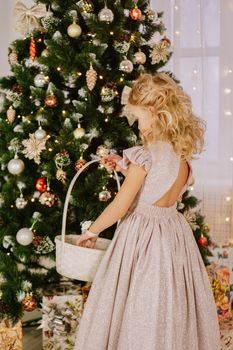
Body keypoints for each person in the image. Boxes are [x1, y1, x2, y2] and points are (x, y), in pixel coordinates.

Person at [73, 73, 221, 350]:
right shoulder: (182, 158)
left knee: (137, 298)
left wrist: (91, 230)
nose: (137, 125)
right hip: (173, 236)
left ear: (154, 113)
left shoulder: (145, 155)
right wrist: (125, 167)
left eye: (139, 117)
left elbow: (121, 205)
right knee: (166, 299)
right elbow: (157, 187)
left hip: (142, 238)